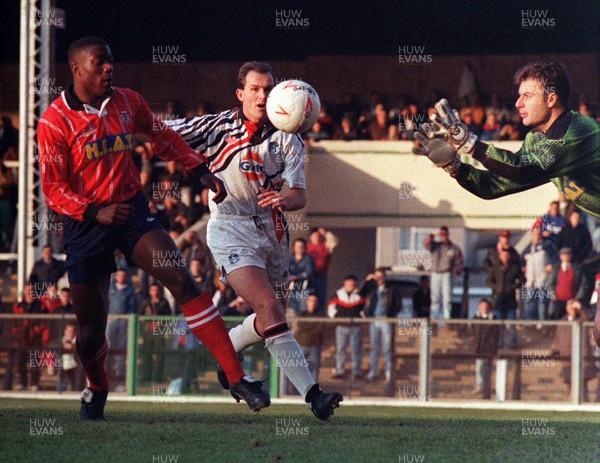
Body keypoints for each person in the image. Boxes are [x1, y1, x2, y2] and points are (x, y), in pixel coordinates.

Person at [37, 37, 269, 420]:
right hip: (86, 225)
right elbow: (53, 189)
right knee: (92, 331)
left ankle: (237, 377)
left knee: (182, 280)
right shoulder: (54, 122)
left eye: (111, 61)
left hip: (131, 212)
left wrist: (198, 168)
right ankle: (97, 387)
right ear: (77, 70)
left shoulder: (128, 101)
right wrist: (94, 212)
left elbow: (161, 137)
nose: (110, 69)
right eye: (100, 63)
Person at [166, 61, 342, 420]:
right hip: (230, 227)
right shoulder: (216, 126)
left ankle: (227, 354)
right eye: (256, 89)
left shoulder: (288, 137)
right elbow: (159, 130)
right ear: (241, 94)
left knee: (271, 317)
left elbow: (299, 196)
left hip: (273, 230)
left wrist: (283, 200)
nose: (263, 95)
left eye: (268, 88)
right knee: (270, 308)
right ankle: (314, 396)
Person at [413, 60, 600, 218]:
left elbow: (522, 170)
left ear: (551, 99)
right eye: (519, 96)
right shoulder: (537, 140)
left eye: (527, 96)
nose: (518, 103)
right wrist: (455, 167)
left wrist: (469, 143)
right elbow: (494, 185)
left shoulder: (580, 130)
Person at [360, 268, 402, 382]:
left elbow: (398, 303)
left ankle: (388, 371)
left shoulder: (391, 289)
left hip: (385, 319)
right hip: (374, 319)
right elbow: (360, 293)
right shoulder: (372, 288)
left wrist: (391, 315)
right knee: (374, 347)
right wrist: (367, 281)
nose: (379, 279)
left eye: (381, 276)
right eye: (377, 276)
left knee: (387, 347)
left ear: (384, 277)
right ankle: (373, 371)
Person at [551, 299, 596, 401]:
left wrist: (580, 308)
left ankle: (584, 406)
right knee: (570, 386)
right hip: (567, 359)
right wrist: (553, 351)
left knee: (582, 387)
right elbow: (557, 339)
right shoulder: (562, 323)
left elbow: (590, 318)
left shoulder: (582, 320)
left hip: (582, 359)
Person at [328, 275, 367, 380]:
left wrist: (362, 316)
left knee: (356, 350)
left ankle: (356, 372)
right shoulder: (338, 294)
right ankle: (340, 371)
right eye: (348, 282)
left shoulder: (360, 294)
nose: (350, 285)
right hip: (341, 326)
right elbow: (331, 307)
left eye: (352, 283)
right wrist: (335, 317)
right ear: (345, 283)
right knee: (341, 349)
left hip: (356, 326)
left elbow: (365, 308)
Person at [486, 248, 524, 348]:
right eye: (503, 255)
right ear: (499, 256)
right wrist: (497, 288)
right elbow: (489, 281)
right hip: (498, 300)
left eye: (506, 255)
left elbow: (522, 279)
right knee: (499, 324)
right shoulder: (495, 268)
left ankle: (512, 344)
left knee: (512, 324)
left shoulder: (514, 267)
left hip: (510, 299)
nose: (505, 257)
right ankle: (500, 343)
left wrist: (512, 287)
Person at [423, 226, 464, 319]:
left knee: (447, 299)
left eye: (445, 234)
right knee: (435, 298)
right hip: (435, 273)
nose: (443, 236)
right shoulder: (435, 246)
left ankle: (447, 320)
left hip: (447, 274)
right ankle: (434, 319)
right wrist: (433, 234)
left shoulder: (454, 248)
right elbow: (425, 243)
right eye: (442, 234)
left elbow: (460, 262)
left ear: (448, 234)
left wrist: (455, 271)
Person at [521, 227, 552, 321]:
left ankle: (542, 325)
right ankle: (529, 325)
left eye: (538, 234)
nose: (536, 236)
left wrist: (550, 265)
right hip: (530, 280)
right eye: (534, 234)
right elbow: (521, 260)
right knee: (529, 304)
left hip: (543, 279)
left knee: (542, 303)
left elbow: (555, 257)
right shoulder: (527, 248)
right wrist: (523, 267)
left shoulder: (547, 246)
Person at [294, 293, 326, 382]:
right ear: (307, 302)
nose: (313, 303)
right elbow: (301, 326)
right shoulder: (301, 314)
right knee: (299, 367)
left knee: (314, 368)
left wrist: (309, 328)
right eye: (311, 301)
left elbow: (320, 328)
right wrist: (312, 326)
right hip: (302, 344)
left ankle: (313, 390)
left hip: (315, 345)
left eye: (315, 301)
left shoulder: (320, 315)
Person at [306, 227, 339, 314]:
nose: (316, 238)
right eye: (314, 236)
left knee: (320, 297)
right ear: (310, 237)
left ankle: (320, 316)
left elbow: (335, 241)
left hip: (321, 276)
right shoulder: (307, 247)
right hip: (309, 276)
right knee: (307, 298)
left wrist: (325, 233)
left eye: (318, 236)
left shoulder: (325, 246)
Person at [472, 298, 500, 398]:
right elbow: (474, 332)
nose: (484, 308)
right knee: (479, 368)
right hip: (480, 348)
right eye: (482, 306)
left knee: (489, 369)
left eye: (486, 306)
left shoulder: (493, 318)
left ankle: (488, 387)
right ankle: (480, 386)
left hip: (490, 348)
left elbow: (497, 333)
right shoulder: (475, 318)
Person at [547, 248, 580, 320]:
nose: (566, 256)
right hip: (558, 301)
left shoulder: (576, 269)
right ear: (560, 256)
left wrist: (577, 298)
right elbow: (550, 284)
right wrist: (553, 296)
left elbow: (582, 284)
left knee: (572, 320)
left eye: (568, 254)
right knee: (558, 320)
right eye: (564, 254)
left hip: (572, 301)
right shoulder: (556, 269)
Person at [288, 238, 315, 315]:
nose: (299, 248)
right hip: (291, 287)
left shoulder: (308, 258)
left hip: (305, 287)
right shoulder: (290, 258)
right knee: (291, 307)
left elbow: (308, 273)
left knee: (302, 306)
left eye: (301, 246)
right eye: (297, 246)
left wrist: (296, 277)